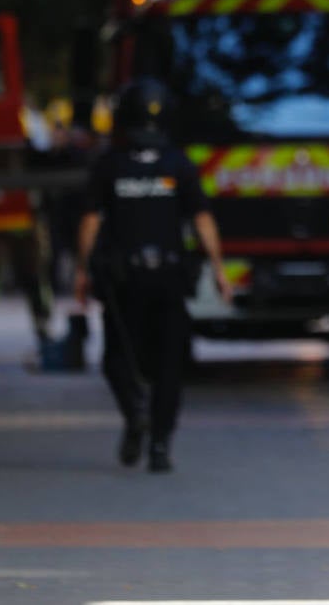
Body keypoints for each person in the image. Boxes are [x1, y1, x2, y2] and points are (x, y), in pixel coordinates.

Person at [73, 77, 231, 473]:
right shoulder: (178, 164)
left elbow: (91, 221)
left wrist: (80, 269)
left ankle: (134, 414)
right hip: (169, 279)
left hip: (123, 282)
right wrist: (218, 269)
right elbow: (202, 220)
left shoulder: (110, 164)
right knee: (168, 366)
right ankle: (160, 444)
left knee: (116, 358)